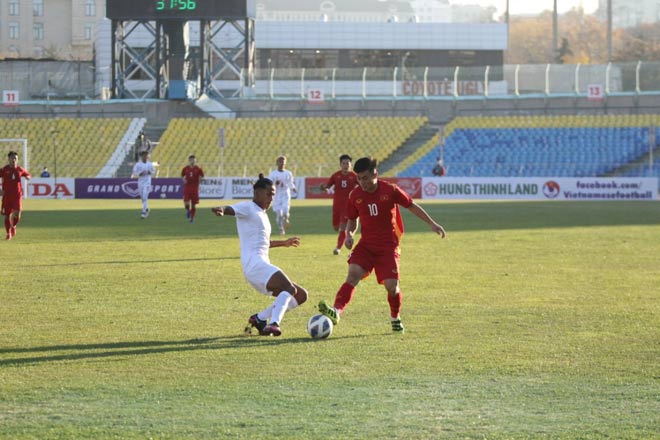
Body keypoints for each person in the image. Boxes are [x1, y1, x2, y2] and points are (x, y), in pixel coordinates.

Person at [318, 157, 446, 334]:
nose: (361, 182)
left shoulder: (390, 190)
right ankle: (336, 311)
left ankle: (395, 317)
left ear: (375, 174)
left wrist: (432, 223)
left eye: (364, 178)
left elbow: (411, 205)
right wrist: (349, 235)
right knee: (353, 275)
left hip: (388, 247)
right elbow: (352, 220)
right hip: (366, 246)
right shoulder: (355, 195)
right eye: (359, 179)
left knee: (392, 287)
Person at [211, 174, 308, 337]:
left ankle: (259, 318)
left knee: (301, 295)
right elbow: (232, 209)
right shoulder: (248, 207)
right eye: (268, 193)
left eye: (273, 194)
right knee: (289, 288)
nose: (271, 198)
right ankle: (274, 323)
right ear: (257, 193)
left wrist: (283, 243)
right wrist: (222, 209)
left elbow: (264, 242)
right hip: (255, 265)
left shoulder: (261, 214)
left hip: (260, 267)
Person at [319, 154, 358, 255]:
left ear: (350, 164)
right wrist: (324, 188)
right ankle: (345, 238)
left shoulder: (354, 176)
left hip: (348, 206)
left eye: (347, 163)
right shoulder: (336, 175)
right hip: (337, 206)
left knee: (343, 227)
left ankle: (338, 247)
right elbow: (328, 186)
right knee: (336, 227)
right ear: (340, 164)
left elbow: (362, 186)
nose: (345, 165)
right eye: (343, 163)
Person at [1, 151, 31, 240]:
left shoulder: (19, 169)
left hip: (17, 196)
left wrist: (28, 177)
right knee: (7, 215)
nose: (14, 160)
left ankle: (13, 226)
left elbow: (28, 174)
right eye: (12, 158)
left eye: (15, 158)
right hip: (7, 196)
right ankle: (8, 233)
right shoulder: (4, 169)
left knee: (17, 214)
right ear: (8, 159)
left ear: (17, 160)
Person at [268, 155, 297, 235]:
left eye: (283, 163)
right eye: (280, 162)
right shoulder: (273, 174)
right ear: (277, 163)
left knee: (285, 211)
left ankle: (286, 219)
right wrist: (274, 183)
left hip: (285, 194)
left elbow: (290, 183)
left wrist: (293, 188)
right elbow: (269, 184)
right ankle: (281, 229)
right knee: (279, 213)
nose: (282, 164)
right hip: (276, 195)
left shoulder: (288, 173)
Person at [131, 150, 156, 219]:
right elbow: (134, 172)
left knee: (145, 196)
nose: (145, 157)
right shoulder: (138, 164)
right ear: (141, 156)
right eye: (144, 155)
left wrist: (149, 172)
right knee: (142, 197)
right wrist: (139, 173)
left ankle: (144, 212)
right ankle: (147, 208)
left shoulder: (150, 164)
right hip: (140, 182)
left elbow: (154, 171)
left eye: (146, 155)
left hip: (147, 182)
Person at [181, 154, 205, 223]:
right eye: (191, 159)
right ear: (189, 160)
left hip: (195, 188)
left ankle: (192, 218)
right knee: (186, 203)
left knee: (194, 205)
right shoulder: (185, 168)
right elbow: (182, 175)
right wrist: (184, 180)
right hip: (187, 188)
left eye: (194, 159)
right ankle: (188, 211)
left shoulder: (198, 168)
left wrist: (200, 179)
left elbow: (202, 176)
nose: (193, 161)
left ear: (195, 160)